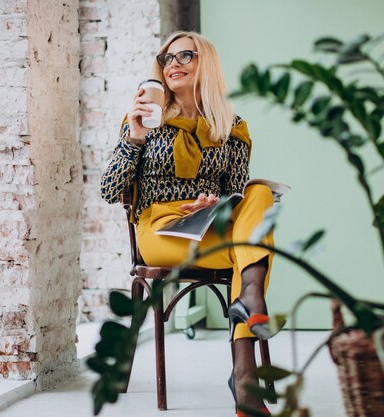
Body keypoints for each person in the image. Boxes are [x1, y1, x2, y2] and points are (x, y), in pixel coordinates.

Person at [100, 31, 276, 417]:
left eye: (184, 55)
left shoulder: (231, 127)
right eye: (166, 59)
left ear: (205, 63)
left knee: (259, 194)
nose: (172, 64)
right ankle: (248, 358)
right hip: (160, 228)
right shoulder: (145, 118)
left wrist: (212, 204)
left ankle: (247, 314)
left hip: (211, 226)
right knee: (252, 254)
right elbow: (109, 190)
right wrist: (135, 137)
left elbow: (237, 198)